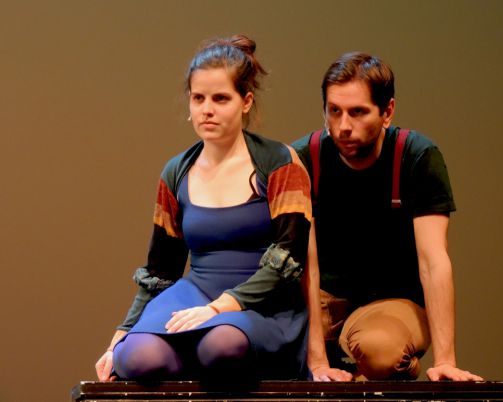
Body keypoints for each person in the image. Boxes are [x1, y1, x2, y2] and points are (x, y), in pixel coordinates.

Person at [95, 35, 312, 385]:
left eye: (220, 98)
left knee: (221, 346)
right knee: (137, 357)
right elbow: (161, 269)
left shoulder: (279, 163)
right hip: (195, 293)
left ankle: (211, 359)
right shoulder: (176, 171)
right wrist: (123, 332)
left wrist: (220, 307)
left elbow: (289, 258)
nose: (206, 109)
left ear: (246, 101)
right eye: (198, 98)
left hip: (262, 303)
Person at [292, 52, 482, 382]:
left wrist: (446, 360)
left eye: (358, 112)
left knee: (380, 351)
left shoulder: (415, 156)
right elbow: (304, 262)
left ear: (387, 112)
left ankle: (391, 371)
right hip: (325, 297)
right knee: (268, 343)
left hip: (393, 301)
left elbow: (433, 261)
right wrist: (317, 361)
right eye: (334, 111)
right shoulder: (305, 158)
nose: (343, 126)